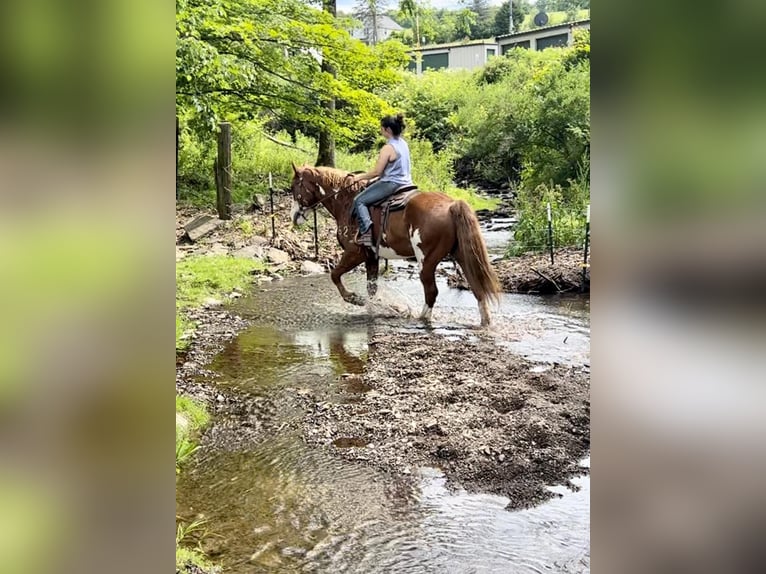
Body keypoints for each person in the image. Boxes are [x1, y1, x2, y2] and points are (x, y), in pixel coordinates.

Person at [351, 113, 413, 247]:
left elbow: (377, 172)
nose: (381, 130)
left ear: (388, 130)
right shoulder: (403, 144)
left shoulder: (388, 148)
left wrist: (358, 177)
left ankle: (366, 233)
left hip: (391, 183)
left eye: (382, 128)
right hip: (407, 183)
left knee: (359, 200)